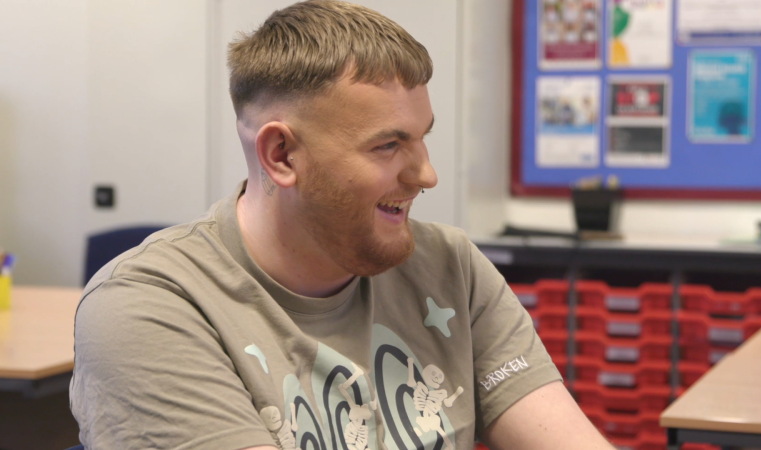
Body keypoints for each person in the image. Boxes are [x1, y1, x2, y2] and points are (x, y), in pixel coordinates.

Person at [70, 1, 613, 449]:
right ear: (281, 155)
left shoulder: (451, 268)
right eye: (388, 145)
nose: (426, 175)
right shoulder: (149, 309)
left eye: (422, 137)